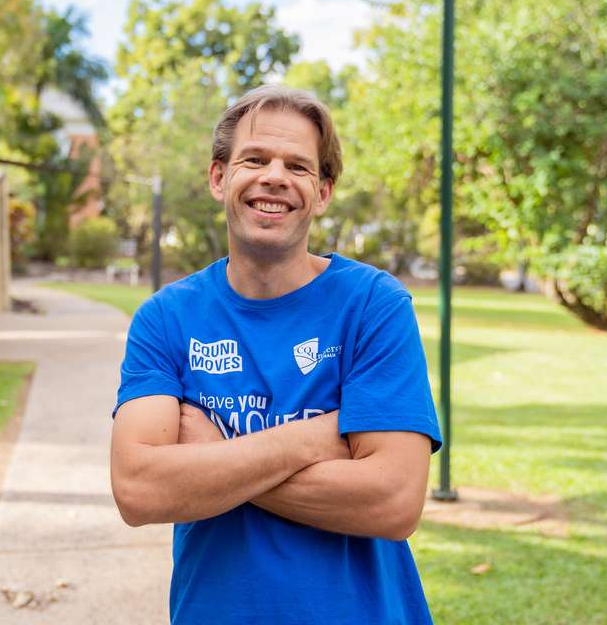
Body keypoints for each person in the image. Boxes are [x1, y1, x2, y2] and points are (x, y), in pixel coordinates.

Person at [110, 84, 443, 624]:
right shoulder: (166, 318)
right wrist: (312, 439)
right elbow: (139, 489)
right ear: (219, 177)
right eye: (254, 159)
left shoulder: (373, 305)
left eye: (298, 166)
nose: (274, 177)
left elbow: (394, 500)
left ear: (323, 192)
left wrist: (216, 457)